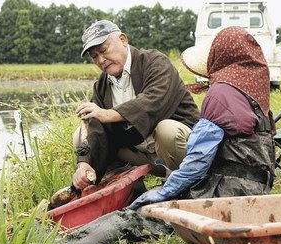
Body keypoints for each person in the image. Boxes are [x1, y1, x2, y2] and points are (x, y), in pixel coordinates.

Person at [129, 26, 276, 210]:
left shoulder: (220, 95)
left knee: (146, 212)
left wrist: (163, 192)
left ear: (219, 57)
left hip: (229, 190)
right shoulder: (254, 92)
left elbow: (197, 161)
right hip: (260, 189)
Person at [72, 20, 200, 190]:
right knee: (81, 134)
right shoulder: (102, 84)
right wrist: (84, 163)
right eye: (94, 56)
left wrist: (106, 114)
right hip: (146, 155)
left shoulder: (155, 61)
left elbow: (152, 101)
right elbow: (96, 128)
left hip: (182, 151)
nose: (101, 59)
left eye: (103, 50)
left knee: (167, 130)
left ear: (123, 40)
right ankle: (128, 188)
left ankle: (191, 184)